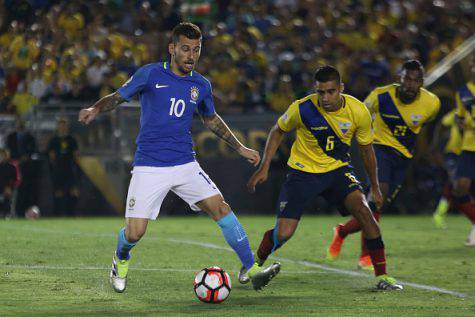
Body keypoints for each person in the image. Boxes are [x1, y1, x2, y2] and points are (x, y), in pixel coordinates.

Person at [78, 22, 280, 293]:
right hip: (149, 165)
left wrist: (240, 147)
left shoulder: (201, 85)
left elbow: (211, 119)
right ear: (172, 48)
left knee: (221, 208)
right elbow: (117, 97)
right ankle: (121, 258)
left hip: (185, 162)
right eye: (185, 49)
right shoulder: (150, 74)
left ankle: (252, 269)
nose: (191, 55)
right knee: (135, 233)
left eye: (196, 50)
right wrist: (95, 108)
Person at [247, 65, 402, 290]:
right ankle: (255, 264)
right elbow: (278, 130)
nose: (325, 97)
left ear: (341, 88)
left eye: (330, 91)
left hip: (337, 171)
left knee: (365, 212)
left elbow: (367, 151)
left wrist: (375, 187)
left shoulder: (358, 111)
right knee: (283, 234)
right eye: (320, 92)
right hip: (302, 172)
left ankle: (383, 277)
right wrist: (264, 166)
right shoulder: (302, 108)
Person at [327, 60, 440, 269]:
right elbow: (358, 113)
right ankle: (366, 255)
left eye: (416, 81)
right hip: (379, 149)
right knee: (377, 198)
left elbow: (426, 127)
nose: (410, 84)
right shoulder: (381, 95)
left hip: (403, 158)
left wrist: (426, 151)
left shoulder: (432, 103)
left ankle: (342, 231)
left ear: (422, 83)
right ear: (400, 78)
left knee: (375, 206)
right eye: (407, 78)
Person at [452, 54, 475, 246]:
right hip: (469, 146)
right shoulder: (462, 91)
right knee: (460, 189)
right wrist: (460, 122)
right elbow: (459, 117)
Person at [432, 109, 462, 228]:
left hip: (469, 153)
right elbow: (442, 125)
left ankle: (439, 213)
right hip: (453, 153)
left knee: (452, 185)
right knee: (455, 182)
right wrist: (436, 145)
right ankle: (439, 214)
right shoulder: (457, 112)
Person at [47, 118, 80, 216]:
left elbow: (76, 155)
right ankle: (57, 214)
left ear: (67, 127)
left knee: (73, 191)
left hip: (70, 168)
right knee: (58, 192)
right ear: (58, 127)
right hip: (58, 169)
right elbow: (51, 156)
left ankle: (71, 213)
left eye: (64, 125)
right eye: (61, 125)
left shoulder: (72, 140)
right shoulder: (54, 140)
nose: (62, 128)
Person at [0, 148, 16, 217]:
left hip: (8, 189)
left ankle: (7, 213)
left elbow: (14, 179)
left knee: (7, 201)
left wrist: (9, 188)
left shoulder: (11, 167)